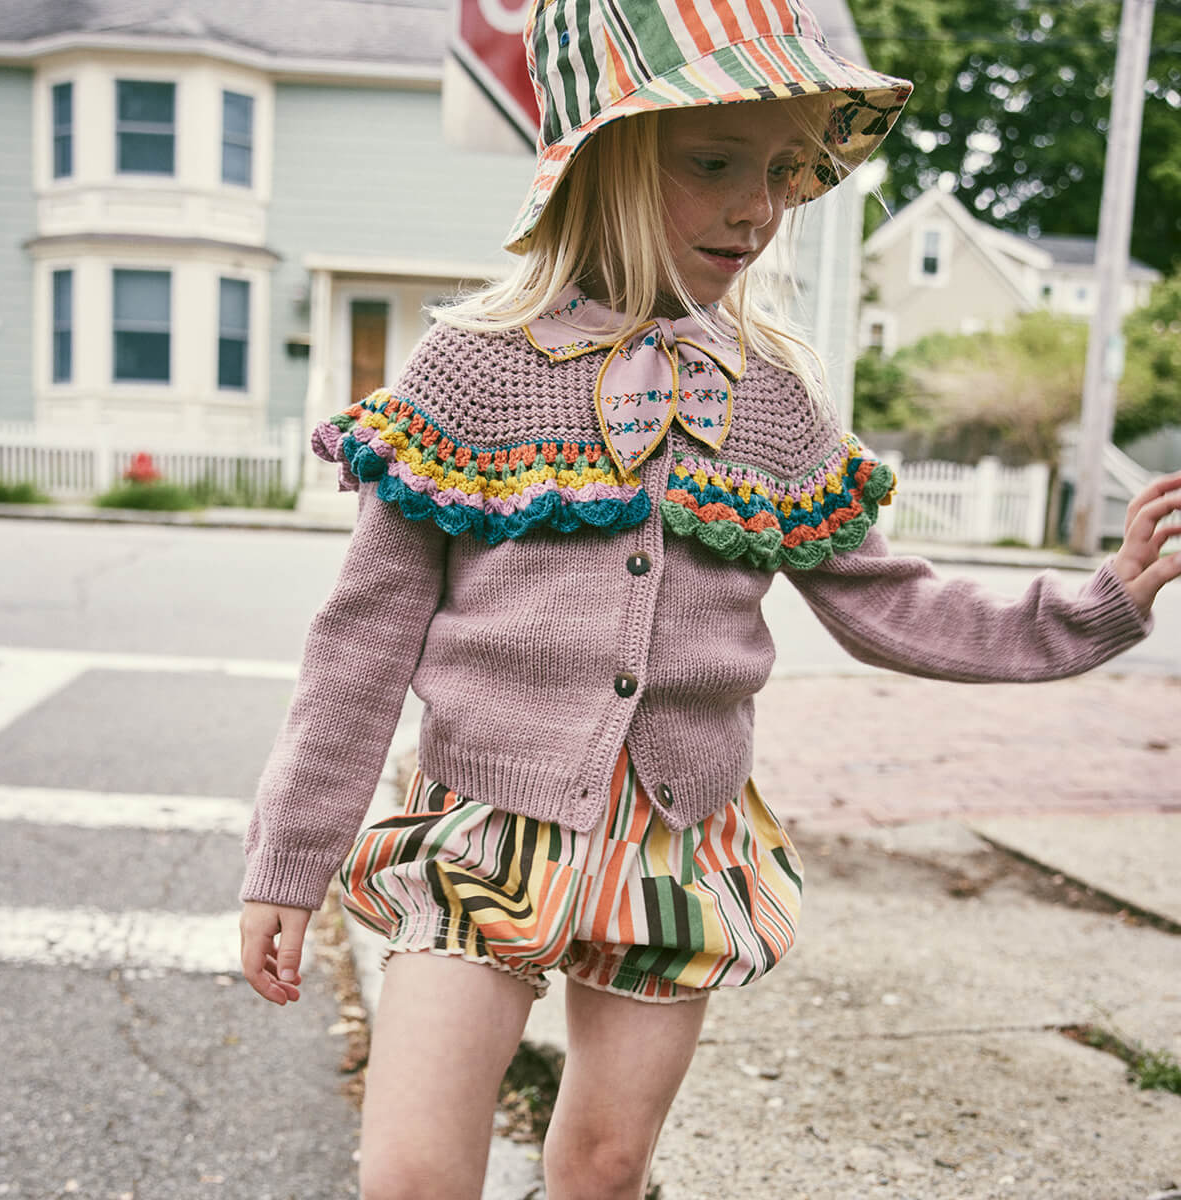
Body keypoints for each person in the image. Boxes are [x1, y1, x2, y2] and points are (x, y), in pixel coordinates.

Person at [239, 2, 1181, 1198]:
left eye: (783, 171)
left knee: (606, 1166)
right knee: (414, 1176)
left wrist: (1096, 605)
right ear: (602, 160)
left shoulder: (773, 395)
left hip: (679, 839)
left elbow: (889, 601)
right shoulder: (472, 369)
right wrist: (289, 860)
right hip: (485, 823)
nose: (758, 207)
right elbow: (359, 646)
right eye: (716, 162)